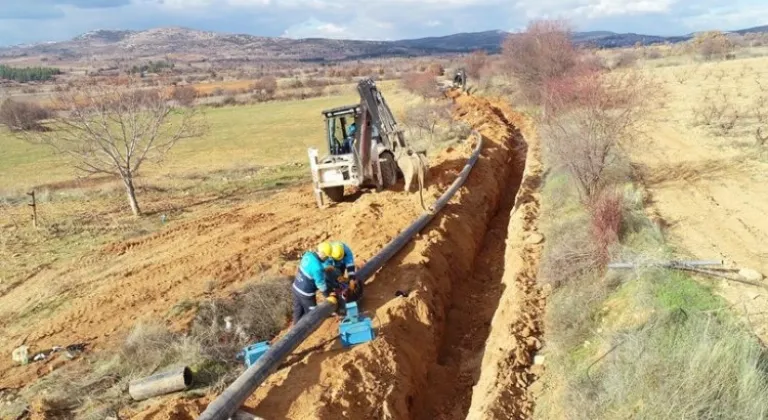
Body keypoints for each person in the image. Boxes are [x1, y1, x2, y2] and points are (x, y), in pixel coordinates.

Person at [292, 242, 339, 325]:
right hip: (306, 294)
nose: (326, 259)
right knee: (312, 314)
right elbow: (321, 285)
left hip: (296, 287)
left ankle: (295, 329)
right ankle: (302, 332)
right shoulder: (317, 268)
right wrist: (328, 296)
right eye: (327, 257)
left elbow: (311, 268)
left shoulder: (308, 255)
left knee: (298, 312)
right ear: (324, 255)